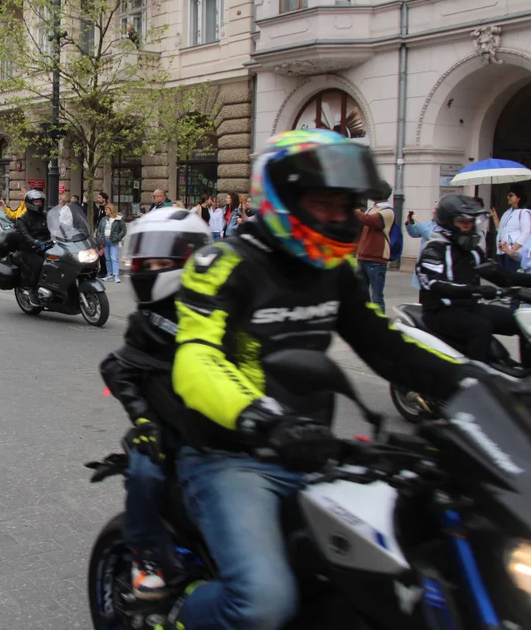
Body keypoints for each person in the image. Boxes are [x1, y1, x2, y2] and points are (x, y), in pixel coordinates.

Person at [167, 129, 473, 630]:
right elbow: (196, 360)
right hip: (233, 454)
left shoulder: (334, 270)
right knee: (263, 602)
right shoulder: (222, 264)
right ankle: (177, 616)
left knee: (414, 566)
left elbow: (385, 343)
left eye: (346, 205)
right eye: (323, 203)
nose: (338, 217)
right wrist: (262, 419)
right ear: (283, 198)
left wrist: (477, 381)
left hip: (317, 449)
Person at [99, 208, 211, 598]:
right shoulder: (145, 322)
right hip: (159, 430)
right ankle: (146, 554)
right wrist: (144, 420)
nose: (150, 269)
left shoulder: (218, 309)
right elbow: (120, 369)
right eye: (144, 261)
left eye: (161, 262)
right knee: (147, 476)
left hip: (218, 429)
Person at [417, 193, 531, 362]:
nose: (468, 226)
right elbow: (436, 285)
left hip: (470, 308)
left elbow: (501, 276)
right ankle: (476, 377)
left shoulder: (472, 250)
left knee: (520, 320)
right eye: (462, 222)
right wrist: (477, 290)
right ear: (448, 221)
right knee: (481, 327)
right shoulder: (434, 249)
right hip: (440, 312)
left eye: (470, 222)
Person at [354, 181, 396, 312]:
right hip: (363, 256)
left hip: (376, 259)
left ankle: (380, 326)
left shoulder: (388, 212)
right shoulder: (372, 209)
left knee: (377, 297)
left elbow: (370, 220)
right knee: (362, 295)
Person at [14, 189, 51, 301]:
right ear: (29, 203)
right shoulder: (22, 219)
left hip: (47, 246)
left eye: (40, 202)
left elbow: (58, 226)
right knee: (39, 264)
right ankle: (33, 291)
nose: (38, 204)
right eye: (36, 202)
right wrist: (35, 242)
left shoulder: (45, 215)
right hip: (30, 249)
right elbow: (25, 234)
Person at [405, 201, 439, 290]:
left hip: (434, 264)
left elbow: (430, 236)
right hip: (423, 261)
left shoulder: (444, 225)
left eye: (436, 209)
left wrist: (418, 223)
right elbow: (415, 234)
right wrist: (410, 224)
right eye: (433, 208)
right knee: (423, 291)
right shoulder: (431, 222)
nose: (433, 211)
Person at [96, 202, 126, 282]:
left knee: (114, 258)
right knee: (108, 258)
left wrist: (118, 237)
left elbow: (123, 230)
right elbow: (99, 230)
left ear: (111, 209)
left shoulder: (119, 219)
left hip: (113, 241)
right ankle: (109, 274)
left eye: (107, 209)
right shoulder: (104, 219)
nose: (105, 211)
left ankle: (116, 275)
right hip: (104, 241)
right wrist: (100, 239)